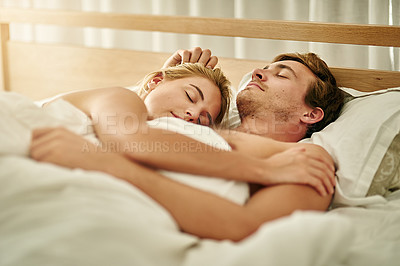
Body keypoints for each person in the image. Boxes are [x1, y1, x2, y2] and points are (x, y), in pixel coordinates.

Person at [30, 47, 343, 241]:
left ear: (311, 113)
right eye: (192, 99)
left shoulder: (306, 160)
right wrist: (163, 85)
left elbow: (246, 226)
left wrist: (109, 163)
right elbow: (128, 123)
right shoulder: (189, 125)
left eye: (281, 75)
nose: (258, 71)